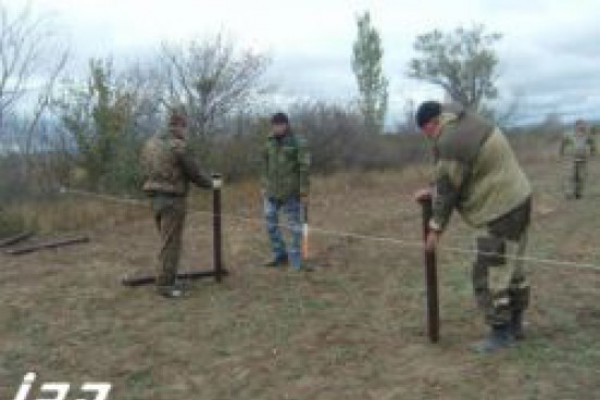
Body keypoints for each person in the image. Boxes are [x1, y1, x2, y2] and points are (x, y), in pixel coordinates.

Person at [414, 101, 533, 354]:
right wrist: (433, 188)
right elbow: (450, 172)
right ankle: (516, 325)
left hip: (500, 208)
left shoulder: (450, 140)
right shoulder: (462, 120)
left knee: (488, 272)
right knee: (513, 268)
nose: (428, 137)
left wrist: (435, 229)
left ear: (431, 124)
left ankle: (500, 334)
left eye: (426, 132)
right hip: (520, 198)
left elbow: (448, 189)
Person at [140, 109, 213, 298]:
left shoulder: (150, 144)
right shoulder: (178, 146)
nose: (185, 131)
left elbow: (145, 168)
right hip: (172, 199)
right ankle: (165, 285)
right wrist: (212, 184)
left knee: (166, 241)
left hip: (154, 198)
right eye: (184, 127)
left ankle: (168, 278)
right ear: (179, 126)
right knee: (171, 244)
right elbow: (194, 173)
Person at [261, 112, 311, 271]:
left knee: (295, 227)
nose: (275, 128)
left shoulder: (298, 142)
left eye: (279, 125)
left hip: (291, 192)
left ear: (286, 125)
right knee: (270, 224)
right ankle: (280, 254)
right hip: (272, 192)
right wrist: (263, 185)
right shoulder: (269, 141)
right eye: (273, 125)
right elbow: (264, 163)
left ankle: (295, 260)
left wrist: (304, 191)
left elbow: (304, 168)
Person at [560, 119, 595, 199]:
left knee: (581, 177)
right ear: (576, 126)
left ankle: (578, 194)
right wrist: (562, 152)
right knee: (570, 176)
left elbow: (592, 144)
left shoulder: (587, 136)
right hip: (571, 159)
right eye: (580, 125)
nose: (582, 127)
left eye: (583, 125)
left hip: (583, 159)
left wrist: (593, 152)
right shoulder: (569, 135)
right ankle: (569, 194)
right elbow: (563, 143)